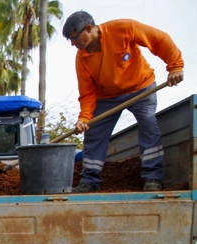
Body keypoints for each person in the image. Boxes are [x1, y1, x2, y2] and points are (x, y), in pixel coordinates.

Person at [63, 11, 184, 193]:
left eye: (74, 38)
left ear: (89, 29)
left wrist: (175, 66)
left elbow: (159, 39)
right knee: (94, 133)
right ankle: (90, 180)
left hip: (141, 87)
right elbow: (87, 93)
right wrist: (84, 118)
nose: (73, 44)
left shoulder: (123, 29)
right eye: (70, 41)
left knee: (149, 125)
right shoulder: (82, 59)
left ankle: (152, 178)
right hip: (107, 97)